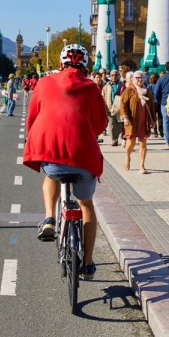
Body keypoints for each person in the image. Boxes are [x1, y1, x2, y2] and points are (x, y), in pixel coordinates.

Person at [24, 44, 107, 279]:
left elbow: (32, 117)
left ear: (61, 64)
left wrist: (34, 141)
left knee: (50, 175)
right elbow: (100, 123)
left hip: (49, 149)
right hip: (83, 155)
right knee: (86, 205)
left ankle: (50, 217)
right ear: (84, 65)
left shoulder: (45, 82)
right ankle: (89, 264)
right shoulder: (91, 87)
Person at [121, 70, 156, 174]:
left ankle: (142, 166)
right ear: (132, 79)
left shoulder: (148, 92)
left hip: (143, 122)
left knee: (143, 144)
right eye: (137, 78)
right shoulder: (128, 91)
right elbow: (123, 105)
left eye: (142, 78)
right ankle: (127, 157)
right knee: (131, 143)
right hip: (132, 121)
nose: (140, 80)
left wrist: (153, 120)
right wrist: (125, 117)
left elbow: (152, 107)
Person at [153, 62, 169, 148]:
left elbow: (156, 92)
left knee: (165, 122)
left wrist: (159, 100)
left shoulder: (161, 79)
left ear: (165, 68)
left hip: (164, 103)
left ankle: (167, 141)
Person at [102, 69, 123, 146]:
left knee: (119, 124)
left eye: (116, 75)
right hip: (110, 107)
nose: (114, 76)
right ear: (110, 76)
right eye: (112, 75)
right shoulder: (107, 86)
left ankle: (119, 136)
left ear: (118, 76)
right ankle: (114, 140)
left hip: (120, 107)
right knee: (112, 124)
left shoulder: (121, 84)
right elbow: (103, 95)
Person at [147, 72, 162, 137]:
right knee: (160, 117)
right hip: (159, 102)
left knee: (153, 117)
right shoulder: (159, 85)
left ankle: (155, 131)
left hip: (152, 102)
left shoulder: (149, 86)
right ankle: (161, 131)